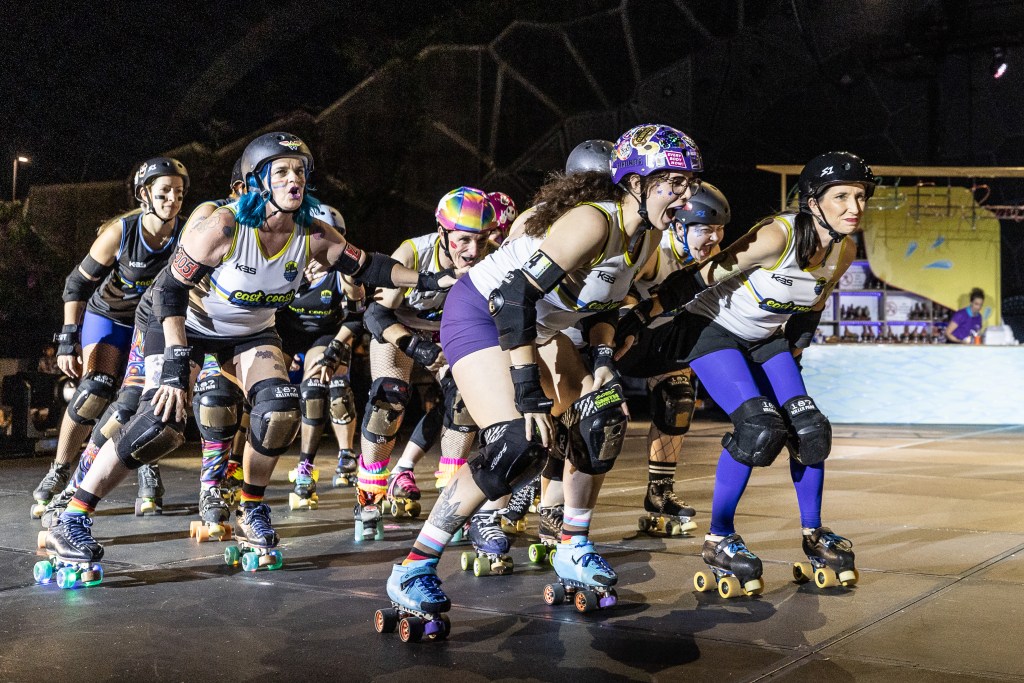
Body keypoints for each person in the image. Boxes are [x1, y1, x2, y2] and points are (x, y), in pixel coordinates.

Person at [40, 132, 460, 572]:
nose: (294, 179)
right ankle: (74, 515)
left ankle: (252, 510)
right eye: (281, 172)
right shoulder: (224, 225)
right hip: (184, 323)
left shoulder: (313, 233)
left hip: (249, 332)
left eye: (299, 171)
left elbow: (368, 265)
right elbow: (168, 291)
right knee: (160, 421)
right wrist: (176, 361)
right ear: (256, 180)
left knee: (279, 410)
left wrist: (429, 281)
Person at [377, 124, 702, 633]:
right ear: (636, 182)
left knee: (601, 418)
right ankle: (413, 566)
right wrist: (529, 390)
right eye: (674, 183)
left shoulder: (648, 235)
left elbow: (605, 307)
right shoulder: (594, 223)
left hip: (544, 325)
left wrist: (600, 358)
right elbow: (513, 298)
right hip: (482, 313)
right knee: (515, 443)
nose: (685, 196)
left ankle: (572, 544)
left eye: (689, 184)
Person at [627, 151, 872, 597]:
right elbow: (700, 276)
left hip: (765, 338)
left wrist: (793, 359)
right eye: (841, 196)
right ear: (814, 202)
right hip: (711, 329)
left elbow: (809, 313)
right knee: (759, 429)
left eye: (859, 196)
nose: (854, 206)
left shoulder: (846, 248)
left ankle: (814, 534)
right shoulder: (778, 235)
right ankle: (719, 538)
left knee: (810, 428)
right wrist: (640, 316)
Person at [31, 157, 188, 519]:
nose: (172, 201)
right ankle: (59, 470)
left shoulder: (186, 234)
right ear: (145, 193)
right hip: (110, 317)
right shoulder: (122, 231)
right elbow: (77, 283)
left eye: (179, 194)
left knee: (148, 399)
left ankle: (148, 469)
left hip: (150, 323)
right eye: (164, 192)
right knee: (95, 391)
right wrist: (67, 339)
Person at [355, 187, 496, 542]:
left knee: (465, 403)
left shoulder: (492, 256)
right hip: (402, 329)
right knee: (389, 397)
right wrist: (418, 349)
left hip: (453, 332)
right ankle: (369, 494)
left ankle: (453, 495)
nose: (474, 251)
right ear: (443, 233)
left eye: (481, 240)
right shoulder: (414, 251)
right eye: (464, 240)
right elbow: (375, 315)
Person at [616, 182, 732, 538]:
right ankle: (537, 491)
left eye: (718, 230)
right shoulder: (655, 250)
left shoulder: (710, 258)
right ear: (678, 227)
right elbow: (611, 294)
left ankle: (659, 494)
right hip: (615, 339)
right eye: (705, 229)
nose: (713, 239)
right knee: (590, 419)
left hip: (657, 341)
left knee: (678, 397)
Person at [275, 204, 365, 510]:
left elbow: (357, 317)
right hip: (287, 332)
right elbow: (266, 308)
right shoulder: (286, 262)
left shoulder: (343, 273)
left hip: (327, 333)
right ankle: (235, 463)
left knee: (326, 391)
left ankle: (328, 461)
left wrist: (336, 348)